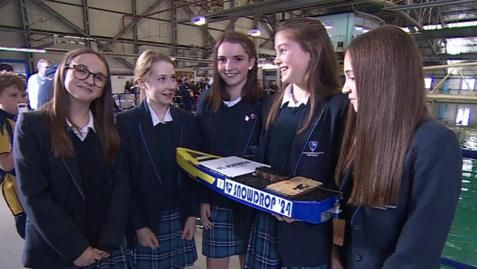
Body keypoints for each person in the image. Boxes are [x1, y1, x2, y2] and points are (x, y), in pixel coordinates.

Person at [333, 25, 462, 269]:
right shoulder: (362, 134)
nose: (345, 88)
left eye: (352, 77)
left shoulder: (435, 144)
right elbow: (346, 210)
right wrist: (336, 253)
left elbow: (418, 250)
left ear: (381, 76)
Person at [245, 17, 349, 269]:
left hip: (311, 240)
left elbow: (345, 186)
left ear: (312, 52)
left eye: (283, 50)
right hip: (267, 227)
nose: (276, 59)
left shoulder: (338, 108)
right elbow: (262, 167)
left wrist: (338, 250)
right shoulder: (273, 107)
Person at [14, 48, 130, 269]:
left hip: (104, 248)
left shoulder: (109, 130)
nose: (89, 80)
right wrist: (76, 249)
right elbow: (33, 194)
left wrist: (109, 240)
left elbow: (121, 187)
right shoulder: (32, 126)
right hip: (57, 249)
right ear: (63, 72)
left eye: (99, 77)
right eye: (81, 70)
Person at [116, 49, 199, 269]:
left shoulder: (187, 121)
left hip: (180, 218)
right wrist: (139, 226)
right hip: (146, 220)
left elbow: (195, 174)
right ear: (143, 81)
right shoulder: (125, 123)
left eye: (173, 78)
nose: (171, 86)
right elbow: (122, 181)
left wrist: (192, 214)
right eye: (162, 79)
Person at [196, 31, 263, 269]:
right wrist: (203, 199)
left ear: (251, 62)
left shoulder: (265, 103)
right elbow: (200, 151)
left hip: (252, 202)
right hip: (217, 199)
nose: (229, 66)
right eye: (222, 59)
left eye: (237, 59)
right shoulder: (206, 101)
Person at [0, 72, 28, 239]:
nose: (20, 99)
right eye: (13, 95)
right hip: (16, 189)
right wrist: (20, 131)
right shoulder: (3, 124)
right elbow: (6, 164)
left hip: (33, 185)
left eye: (23, 94)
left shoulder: (22, 117)